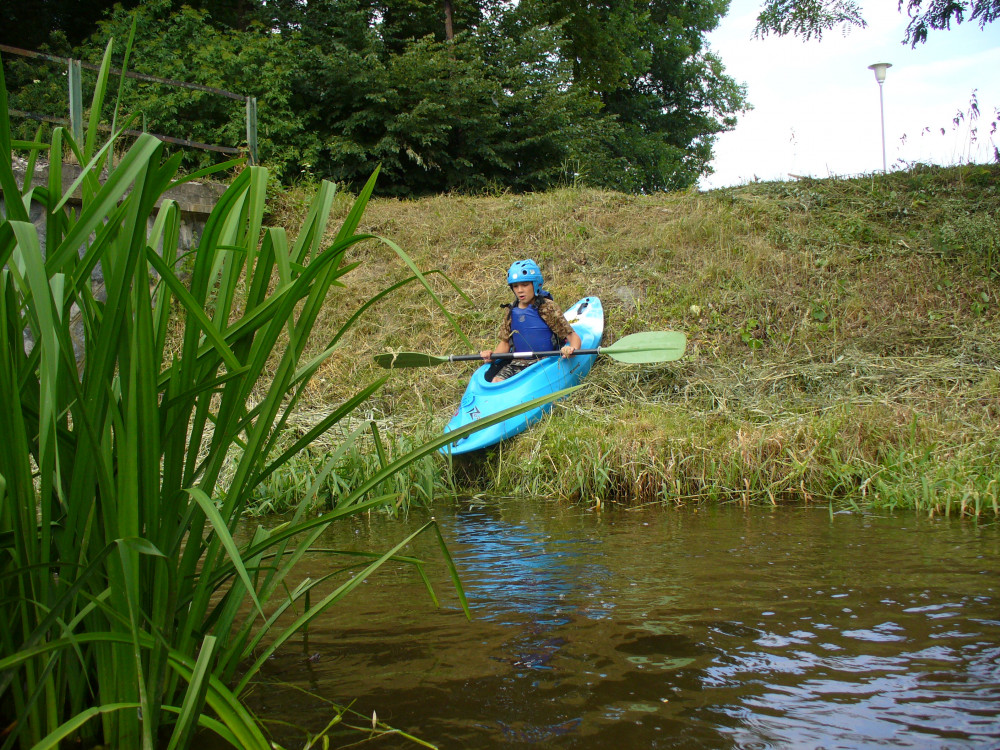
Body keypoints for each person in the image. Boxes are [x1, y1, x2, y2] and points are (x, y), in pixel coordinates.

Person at [480, 259, 582, 382]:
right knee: (496, 381)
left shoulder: (547, 308)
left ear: (535, 284)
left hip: (545, 362)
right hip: (518, 362)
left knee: (532, 382)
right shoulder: (511, 310)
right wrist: (492, 357)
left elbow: (572, 336)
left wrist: (571, 349)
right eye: (515, 286)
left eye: (525, 285)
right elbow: (505, 343)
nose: (520, 290)